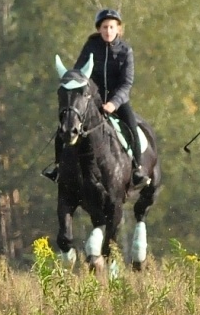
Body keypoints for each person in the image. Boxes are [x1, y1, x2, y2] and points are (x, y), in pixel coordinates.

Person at [43, 9, 148, 187]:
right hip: (92, 99)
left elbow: (127, 83)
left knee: (131, 125)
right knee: (66, 124)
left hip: (117, 100)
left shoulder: (126, 51)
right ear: (99, 29)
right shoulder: (91, 46)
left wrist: (113, 104)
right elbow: (77, 73)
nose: (108, 31)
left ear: (118, 29)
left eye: (111, 27)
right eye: (105, 27)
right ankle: (58, 166)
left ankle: (137, 168)